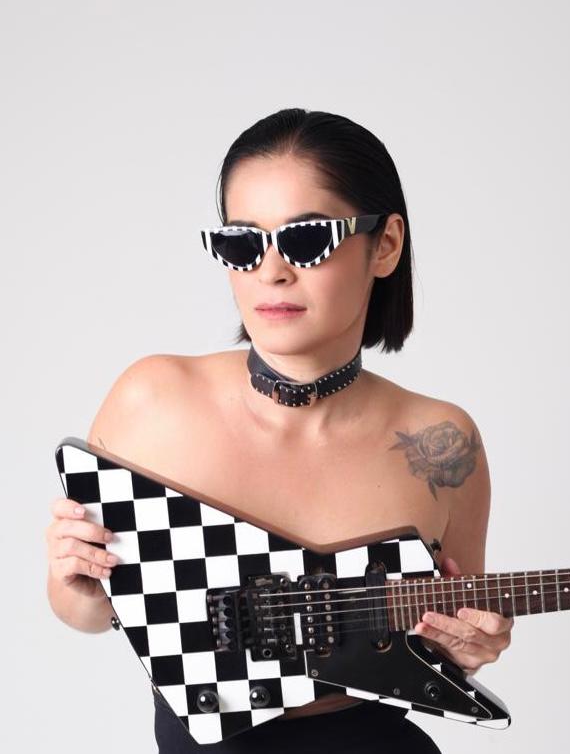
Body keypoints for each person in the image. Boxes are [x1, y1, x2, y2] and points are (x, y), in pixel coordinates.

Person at [45, 108, 514, 753]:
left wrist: (470, 645)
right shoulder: (152, 399)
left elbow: (446, 640)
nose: (271, 270)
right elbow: (87, 610)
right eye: (243, 243)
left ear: (385, 244)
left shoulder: (443, 442)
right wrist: (78, 581)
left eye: (307, 239)